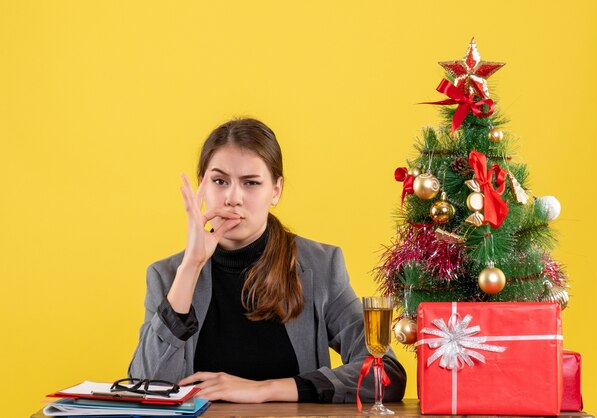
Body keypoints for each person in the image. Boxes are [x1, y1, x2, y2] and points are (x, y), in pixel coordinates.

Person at [128, 118, 406, 403]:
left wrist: (264, 389)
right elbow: (144, 388)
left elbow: (386, 374)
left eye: (251, 183)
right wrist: (191, 266)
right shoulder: (168, 275)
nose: (232, 198)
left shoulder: (321, 266)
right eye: (219, 181)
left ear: (275, 190)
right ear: (202, 185)